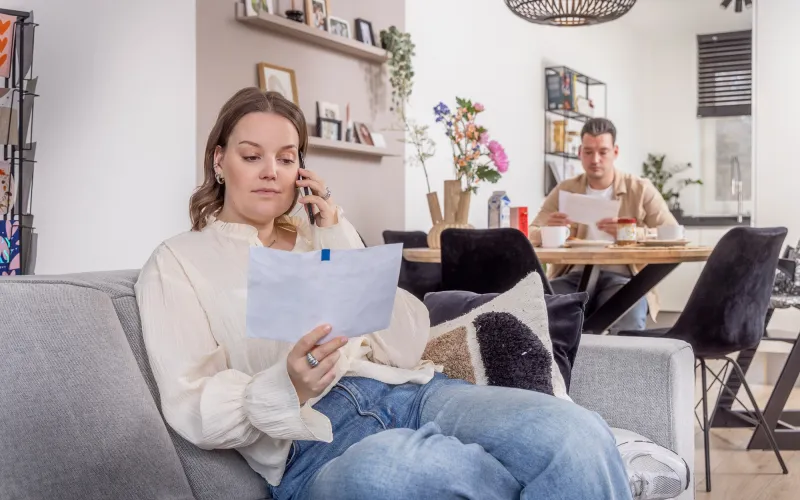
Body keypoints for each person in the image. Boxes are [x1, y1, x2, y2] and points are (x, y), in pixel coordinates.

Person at [134, 88, 632, 500]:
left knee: (577, 435)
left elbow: (403, 339)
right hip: (314, 446)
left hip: (413, 393)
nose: (271, 171)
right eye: (251, 156)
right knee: (398, 472)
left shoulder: (321, 238)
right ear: (220, 161)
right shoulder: (176, 263)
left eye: (287, 158)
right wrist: (289, 387)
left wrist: (336, 230)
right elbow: (192, 405)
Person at [529, 118, 678, 332]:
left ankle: (620, 366)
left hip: (624, 278)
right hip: (574, 276)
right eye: (588, 152)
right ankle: (556, 365)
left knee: (630, 317)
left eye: (603, 152)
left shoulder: (640, 188)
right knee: (536, 307)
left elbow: (671, 234)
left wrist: (631, 233)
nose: (595, 159)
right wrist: (548, 231)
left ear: (615, 152)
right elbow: (529, 233)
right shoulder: (566, 189)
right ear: (580, 152)